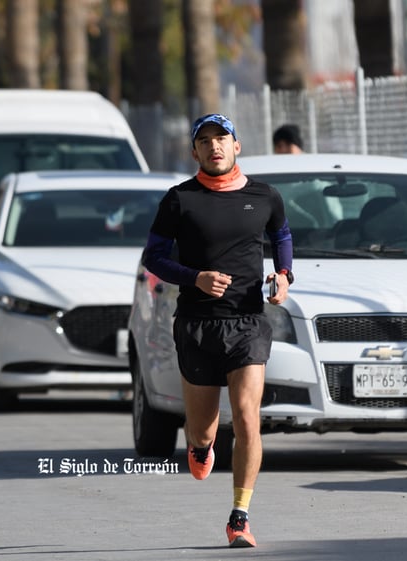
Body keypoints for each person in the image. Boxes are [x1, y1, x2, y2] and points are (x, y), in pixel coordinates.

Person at [142, 114, 293, 548]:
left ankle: (239, 517)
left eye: (221, 139)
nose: (214, 147)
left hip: (247, 322)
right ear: (194, 152)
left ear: (236, 146)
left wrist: (284, 275)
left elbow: (281, 234)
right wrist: (195, 278)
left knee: (247, 419)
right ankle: (200, 446)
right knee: (204, 429)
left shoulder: (265, 196)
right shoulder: (179, 200)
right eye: (204, 141)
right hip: (197, 324)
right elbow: (154, 257)